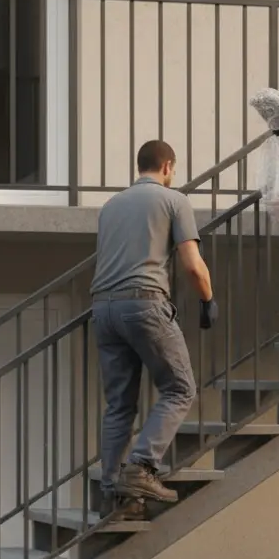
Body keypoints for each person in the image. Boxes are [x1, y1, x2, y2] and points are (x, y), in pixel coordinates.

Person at [90, 140, 218, 520]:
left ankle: (114, 494)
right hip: (143, 304)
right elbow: (193, 265)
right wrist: (208, 300)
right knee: (180, 388)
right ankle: (142, 467)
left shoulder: (111, 207)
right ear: (167, 167)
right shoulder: (173, 200)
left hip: (103, 308)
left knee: (119, 405)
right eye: (173, 169)